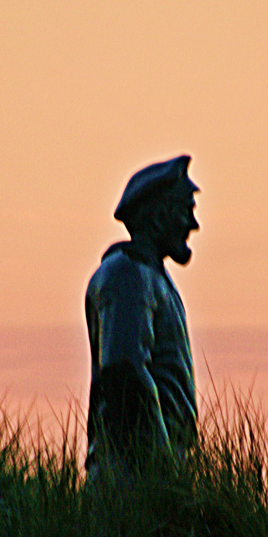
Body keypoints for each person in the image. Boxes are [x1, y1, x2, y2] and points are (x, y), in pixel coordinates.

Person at [85, 155, 200, 482]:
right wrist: (164, 471)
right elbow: (124, 371)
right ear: (162, 215)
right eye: (186, 211)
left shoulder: (149, 277)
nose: (193, 225)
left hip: (149, 470)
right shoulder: (128, 274)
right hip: (134, 476)